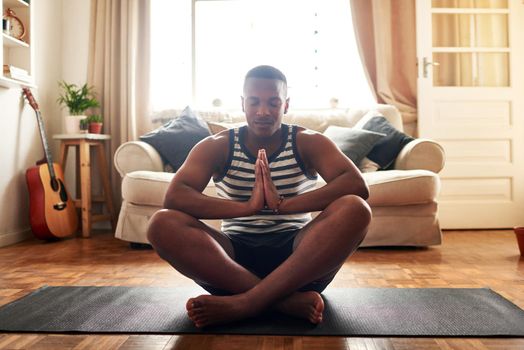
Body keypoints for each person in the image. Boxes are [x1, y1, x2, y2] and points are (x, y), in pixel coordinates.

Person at [147, 65, 371, 328]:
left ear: (286, 105)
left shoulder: (308, 141)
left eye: (273, 102)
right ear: (243, 104)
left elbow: (356, 186)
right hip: (230, 262)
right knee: (161, 223)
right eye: (254, 102)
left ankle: (245, 303)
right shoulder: (216, 146)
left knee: (356, 209)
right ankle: (286, 302)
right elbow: (174, 198)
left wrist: (282, 205)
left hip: (301, 261)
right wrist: (247, 207)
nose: (263, 111)